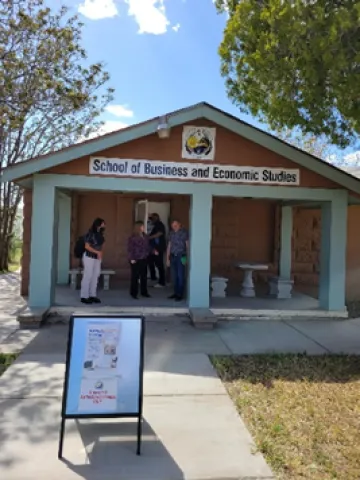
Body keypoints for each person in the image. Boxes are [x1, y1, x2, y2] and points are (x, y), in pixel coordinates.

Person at [80, 217, 106, 304]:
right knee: (88, 275)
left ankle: (92, 295)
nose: (104, 225)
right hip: (89, 257)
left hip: (97, 258)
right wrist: (97, 252)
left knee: (95, 276)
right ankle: (84, 296)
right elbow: (87, 246)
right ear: (98, 224)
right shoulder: (90, 233)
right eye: (103, 224)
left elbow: (102, 245)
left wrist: (100, 253)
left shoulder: (100, 234)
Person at [127, 221, 151, 300]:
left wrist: (153, 251)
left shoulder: (145, 236)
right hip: (135, 259)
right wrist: (131, 258)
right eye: (142, 226)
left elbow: (148, 246)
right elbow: (130, 249)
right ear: (138, 227)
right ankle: (133, 293)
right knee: (135, 277)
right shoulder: (133, 237)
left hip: (144, 258)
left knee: (144, 276)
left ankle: (144, 292)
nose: (144, 228)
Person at [166, 219, 189, 301]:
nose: (174, 227)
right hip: (173, 256)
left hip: (181, 256)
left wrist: (187, 257)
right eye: (173, 225)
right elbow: (169, 245)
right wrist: (167, 258)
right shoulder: (171, 233)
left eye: (176, 225)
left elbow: (187, 245)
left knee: (180, 275)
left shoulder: (184, 233)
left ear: (179, 224)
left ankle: (180, 294)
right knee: (174, 276)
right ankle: (175, 293)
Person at [148, 213, 166, 288]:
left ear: (156, 218)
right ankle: (153, 278)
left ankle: (162, 282)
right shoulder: (155, 225)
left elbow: (159, 233)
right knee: (150, 262)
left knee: (159, 264)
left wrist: (149, 238)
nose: (150, 220)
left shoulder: (159, 224)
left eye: (152, 218)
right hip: (153, 248)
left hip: (158, 248)